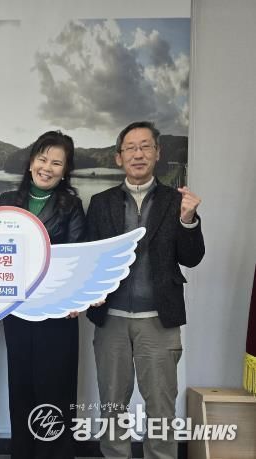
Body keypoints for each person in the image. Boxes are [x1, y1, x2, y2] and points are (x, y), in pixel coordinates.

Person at [86, 121, 205, 458]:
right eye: (130, 148)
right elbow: (91, 256)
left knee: (161, 410)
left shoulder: (176, 201)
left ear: (157, 152)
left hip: (159, 319)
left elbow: (192, 257)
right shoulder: (101, 202)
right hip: (111, 320)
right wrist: (89, 291)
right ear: (119, 157)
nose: (138, 154)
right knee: (112, 407)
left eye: (145, 146)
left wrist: (188, 220)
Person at [0, 130, 86, 459]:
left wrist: (74, 298)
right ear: (31, 161)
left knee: (55, 392)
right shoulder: (7, 201)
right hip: (17, 312)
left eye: (56, 163)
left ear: (65, 170)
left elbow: (76, 257)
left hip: (57, 314)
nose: (47, 168)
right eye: (42, 159)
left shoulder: (71, 205)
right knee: (21, 388)